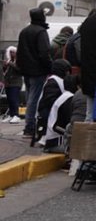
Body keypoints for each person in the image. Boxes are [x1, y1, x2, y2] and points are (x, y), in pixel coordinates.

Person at [17, 8, 53, 140]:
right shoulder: (41, 32)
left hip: (26, 70)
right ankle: (30, 127)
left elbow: (20, 51)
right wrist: (49, 67)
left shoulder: (24, 31)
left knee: (30, 98)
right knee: (34, 98)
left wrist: (21, 66)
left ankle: (29, 125)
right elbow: (44, 53)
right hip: (38, 70)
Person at [1, 46, 23, 123]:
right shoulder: (9, 60)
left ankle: (16, 115)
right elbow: (5, 72)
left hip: (16, 83)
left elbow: (19, 69)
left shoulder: (19, 60)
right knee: (10, 100)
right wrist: (5, 66)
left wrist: (10, 63)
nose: (12, 54)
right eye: (10, 52)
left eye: (13, 52)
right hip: (8, 83)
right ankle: (11, 115)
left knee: (14, 99)